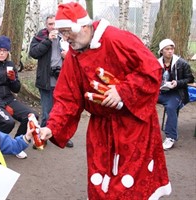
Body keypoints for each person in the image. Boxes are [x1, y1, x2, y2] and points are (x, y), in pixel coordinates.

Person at [39, 2, 172, 199]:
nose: (65, 38)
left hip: (134, 127)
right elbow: (68, 98)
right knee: (101, 185)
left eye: (67, 31)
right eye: (62, 33)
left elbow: (151, 71)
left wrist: (123, 91)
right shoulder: (74, 56)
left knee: (130, 188)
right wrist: (52, 127)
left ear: (84, 26)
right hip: (101, 130)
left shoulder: (118, 39)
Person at [0, 35, 39, 159]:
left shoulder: (9, 64)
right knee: (8, 122)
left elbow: (16, 89)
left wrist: (13, 79)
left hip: (8, 98)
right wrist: (3, 106)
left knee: (32, 116)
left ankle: (17, 144)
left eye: (5, 51)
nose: (2, 53)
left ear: (8, 52)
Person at [29, 15, 73, 148]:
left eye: (54, 24)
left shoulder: (66, 37)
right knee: (47, 112)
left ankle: (62, 136)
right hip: (46, 80)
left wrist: (68, 56)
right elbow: (33, 53)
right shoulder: (41, 36)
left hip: (62, 80)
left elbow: (79, 54)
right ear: (46, 25)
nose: (53, 27)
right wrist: (48, 41)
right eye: (50, 24)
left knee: (63, 111)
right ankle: (41, 137)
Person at [157, 39, 194, 150]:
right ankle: (143, 131)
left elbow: (190, 79)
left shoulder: (182, 63)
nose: (170, 51)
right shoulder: (156, 63)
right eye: (167, 49)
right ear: (161, 51)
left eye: (172, 49)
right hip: (160, 91)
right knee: (144, 102)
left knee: (171, 107)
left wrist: (177, 83)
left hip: (176, 92)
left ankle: (171, 137)